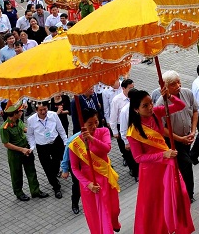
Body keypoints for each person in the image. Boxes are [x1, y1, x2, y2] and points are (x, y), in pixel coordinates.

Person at [127, 88, 194, 234]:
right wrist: (163, 155)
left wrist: (169, 96)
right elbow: (138, 158)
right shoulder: (133, 131)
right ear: (136, 109)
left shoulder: (156, 113)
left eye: (150, 103)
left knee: (181, 194)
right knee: (157, 203)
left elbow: (180, 106)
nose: (150, 107)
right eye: (145, 106)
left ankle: (178, 226)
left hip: (167, 163)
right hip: (151, 171)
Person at [69, 106, 122, 234]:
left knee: (114, 209)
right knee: (99, 215)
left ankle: (114, 222)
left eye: (96, 122)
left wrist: (92, 139)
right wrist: (88, 184)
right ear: (82, 124)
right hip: (91, 183)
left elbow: (107, 148)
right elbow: (74, 168)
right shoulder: (75, 143)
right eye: (90, 124)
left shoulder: (103, 131)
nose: (94, 126)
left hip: (106, 177)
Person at [154, 70, 199, 203]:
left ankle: (185, 192)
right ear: (166, 87)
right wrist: (180, 139)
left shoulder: (187, 93)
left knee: (184, 165)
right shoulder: (161, 103)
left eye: (178, 82)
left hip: (187, 136)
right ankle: (188, 194)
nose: (178, 86)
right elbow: (162, 129)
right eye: (173, 84)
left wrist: (193, 130)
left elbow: (195, 111)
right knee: (186, 165)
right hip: (173, 140)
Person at [0, 102, 50, 201]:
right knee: (16, 174)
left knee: (31, 171)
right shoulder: (4, 128)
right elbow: (6, 144)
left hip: (26, 150)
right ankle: (19, 193)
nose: (22, 112)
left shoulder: (18, 121)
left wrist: (38, 131)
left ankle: (35, 191)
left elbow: (25, 129)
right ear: (15, 113)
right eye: (20, 111)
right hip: (15, 154)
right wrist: (21, 149)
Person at [26, 101, 68, 198]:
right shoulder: (31, 120)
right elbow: (30, 135)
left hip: (55, 142)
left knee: (57, 161)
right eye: (40, 110)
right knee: (47, 167)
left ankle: (55, 173)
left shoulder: (53, 115)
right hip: (42, 146)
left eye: (45, 109)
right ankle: (56, 187)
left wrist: (65, 141)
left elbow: (60, 129)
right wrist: (32, 147)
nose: (43, 112)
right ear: (36, 110)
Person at [108, 79, 138, 180]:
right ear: (123, 88)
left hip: (133, 126)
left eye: (133, 87)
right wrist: (114, 131)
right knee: (127, 151)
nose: (132, 89)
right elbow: (113, 116)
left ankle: (138, 168)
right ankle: (134, 170)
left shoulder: (134, 97)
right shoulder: (117, 100)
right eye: (130, 88)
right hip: (121, 127)